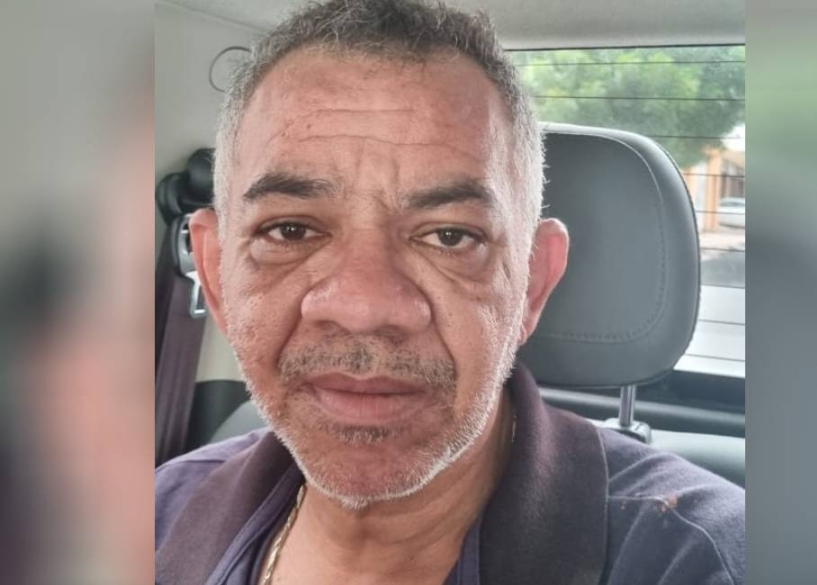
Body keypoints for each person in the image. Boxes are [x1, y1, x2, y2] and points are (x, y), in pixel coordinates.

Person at [155, 0, 745, 583]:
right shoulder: (159, 516)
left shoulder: (706, 562)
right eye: (290, 231)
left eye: (449, 236)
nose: (363, 308)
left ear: (533, 284)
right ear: (216, 273)